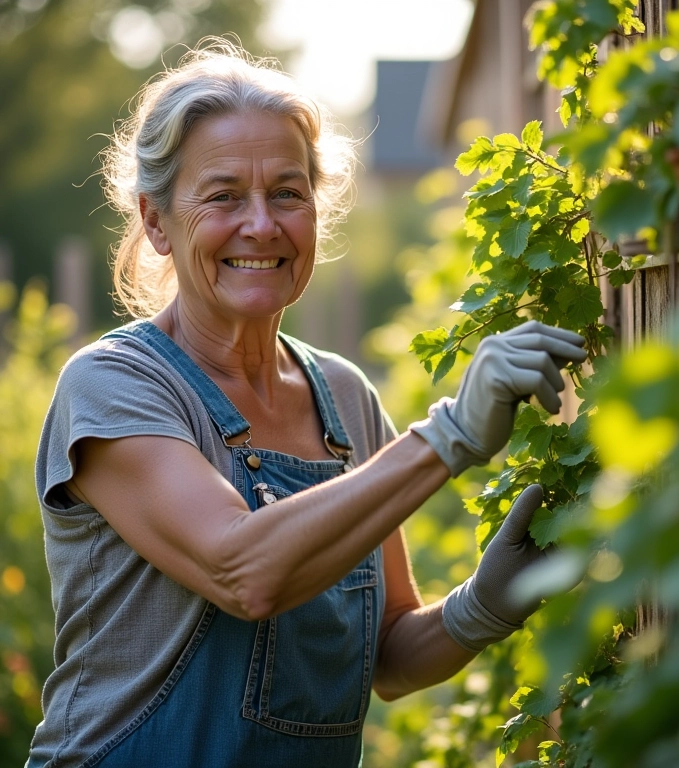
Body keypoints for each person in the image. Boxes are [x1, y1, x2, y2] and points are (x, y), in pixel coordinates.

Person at [26, 39, 587, 768]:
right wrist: (448, 436)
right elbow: (243, 571)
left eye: (287, 193)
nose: (261, 224)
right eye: (224, 195)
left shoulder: (345, 398)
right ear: (157, 222)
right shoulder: (113, 385)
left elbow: (387, 655)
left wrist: (483, 607)